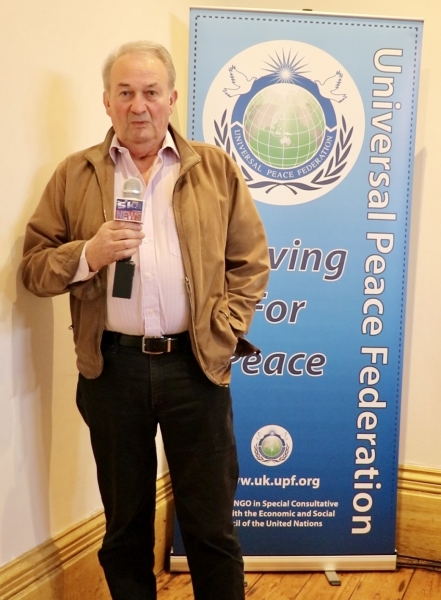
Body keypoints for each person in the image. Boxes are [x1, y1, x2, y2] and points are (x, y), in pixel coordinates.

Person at [21, 41, 270, 600]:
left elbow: (251, 260)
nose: (139, 105)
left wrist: (224, 329)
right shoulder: (75, 174)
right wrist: (88, 254)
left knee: (211, 527)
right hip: (113, 371)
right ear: (106, 101)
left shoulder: (214, 169)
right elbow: (34, 269)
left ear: (172, 98)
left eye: (151, 92)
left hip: (195, 368)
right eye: (126, 92)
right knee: (124, 529)